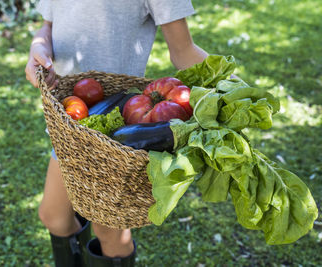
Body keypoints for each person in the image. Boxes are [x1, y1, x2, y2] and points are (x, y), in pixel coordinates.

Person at [25, 0, 208, 266]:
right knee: (53, 216)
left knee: (109, 230)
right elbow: (48, 26)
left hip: (111, 133)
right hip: (69, 120)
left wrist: (230, 85)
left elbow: (184, 52)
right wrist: (38, 48)